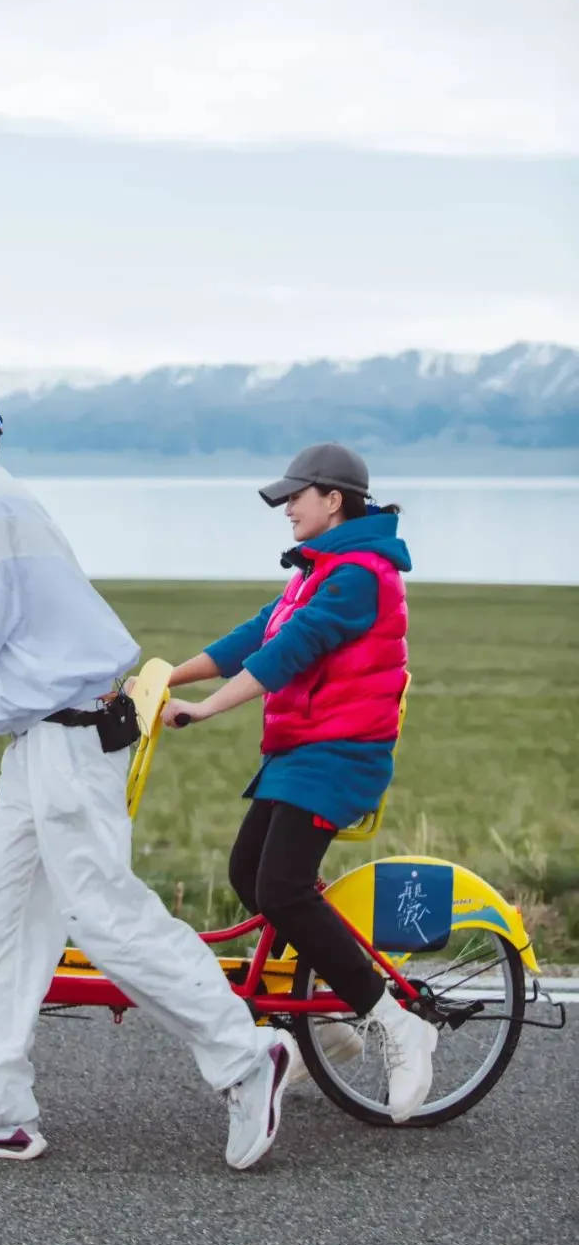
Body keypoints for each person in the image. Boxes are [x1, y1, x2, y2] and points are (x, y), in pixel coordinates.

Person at [0, 386, 295, 1170]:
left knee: (103, 916)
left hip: (67, 744)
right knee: (1, 918)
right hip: (42, 745)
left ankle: (247, 1058)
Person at [161, 442, 437, 1123]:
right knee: (251, 876)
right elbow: (256, 634)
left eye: (296, 496)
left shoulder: (359, 576)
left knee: (282, 885)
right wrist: (165, 676)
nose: (287, 508)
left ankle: (396, 1023)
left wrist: (206, 708)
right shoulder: (318, 571)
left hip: (340, 756)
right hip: (301, 751)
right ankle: (325, 1021)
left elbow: (287, 653)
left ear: (333, 499)